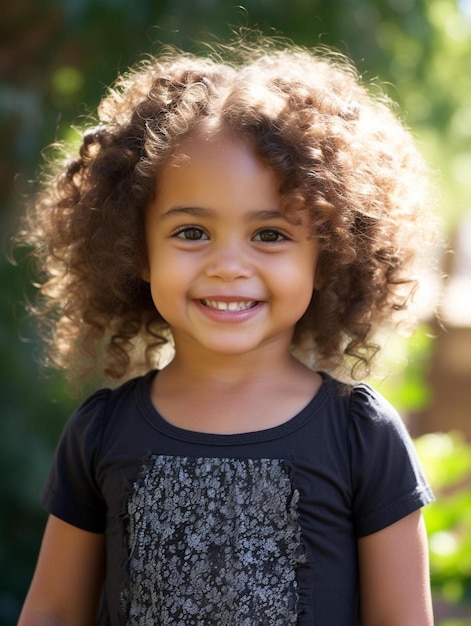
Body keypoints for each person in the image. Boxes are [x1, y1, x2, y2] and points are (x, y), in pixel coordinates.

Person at [16, 33, 438, 626]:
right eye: (191, 232)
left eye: (270, 234)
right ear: (137, 250)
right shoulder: (100, 431)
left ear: (330, 254)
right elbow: (55, 611)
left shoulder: (361, 437)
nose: (229, 265)